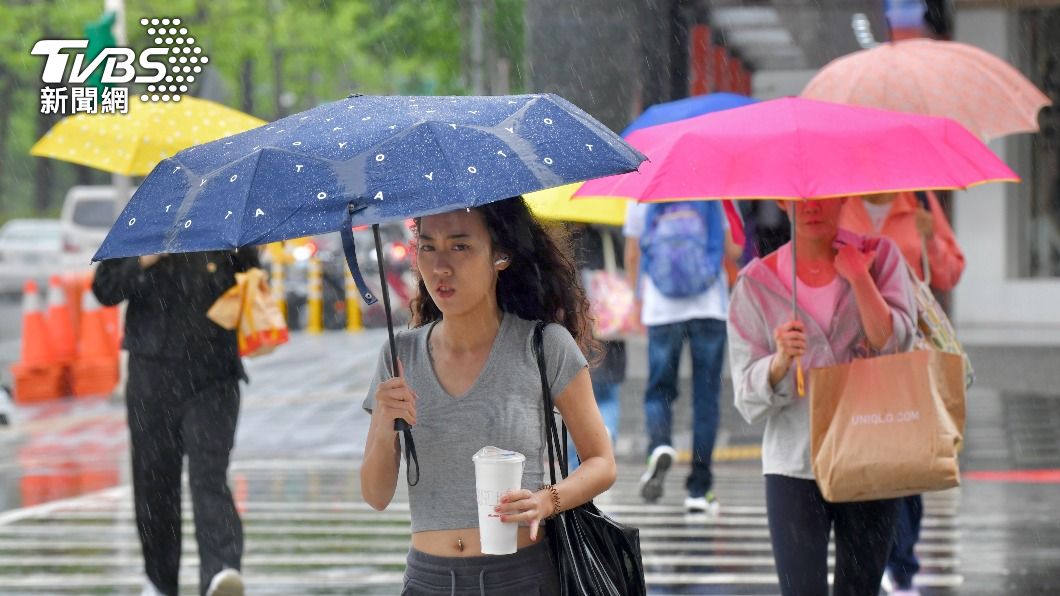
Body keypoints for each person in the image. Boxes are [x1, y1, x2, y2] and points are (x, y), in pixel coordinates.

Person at [360, 197, 616, 595]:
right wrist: (382, 422)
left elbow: (602, 462)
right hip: (428, 580)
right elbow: (375, 495)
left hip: (521, 577)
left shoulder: (544, 345)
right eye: (428, 246)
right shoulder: (400, 357)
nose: (440, 266)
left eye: (460, 246)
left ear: (501, 255)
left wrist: (548, 500)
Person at [728, 198, 917, 595]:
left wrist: (860, 279)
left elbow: (897, 344)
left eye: (823, 193)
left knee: (859, 590)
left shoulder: (880, 258)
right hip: (795, 463)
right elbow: (747, 396)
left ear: (845, 194)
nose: (811, 205)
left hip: (870, 454)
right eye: (799, 195)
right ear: (781, 199)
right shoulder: (756, 284)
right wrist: (779, 363)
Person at [93, 249, 259, 596]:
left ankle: (221, 571)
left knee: (208, 476)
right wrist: (144, 260)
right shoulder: (142, 226)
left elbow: (252, 278)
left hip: (214, 374)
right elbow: (105, 289)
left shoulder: (222, 221)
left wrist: (241, 252)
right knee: (154, 481)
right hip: (152, 375)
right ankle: (158, 580)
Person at [841, 190, 966, 596]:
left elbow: (949, 274)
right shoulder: (842, 205)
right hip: (854, 351)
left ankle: (903, 564)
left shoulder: (920, 205)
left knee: (906, 458)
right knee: (864, 456)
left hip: (907, 352)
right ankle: (870, 557)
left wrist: (929, 239)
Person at [623, 200, 742, 513]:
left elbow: (634, 253)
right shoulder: (713, 187)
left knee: (659, 388)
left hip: (662, 307)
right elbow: (732, 249)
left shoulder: (642, 189)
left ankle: (660, 445)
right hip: (709, 306)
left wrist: (636, 301)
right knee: (706, 397)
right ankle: (699, 490)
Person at [567, 224, 626, 471]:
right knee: (608, 393)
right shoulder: (608, 233)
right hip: (609, 324)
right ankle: (607, 434)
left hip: (578, 328)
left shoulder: (566, 241)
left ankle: (575, 464)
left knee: (574, 400)